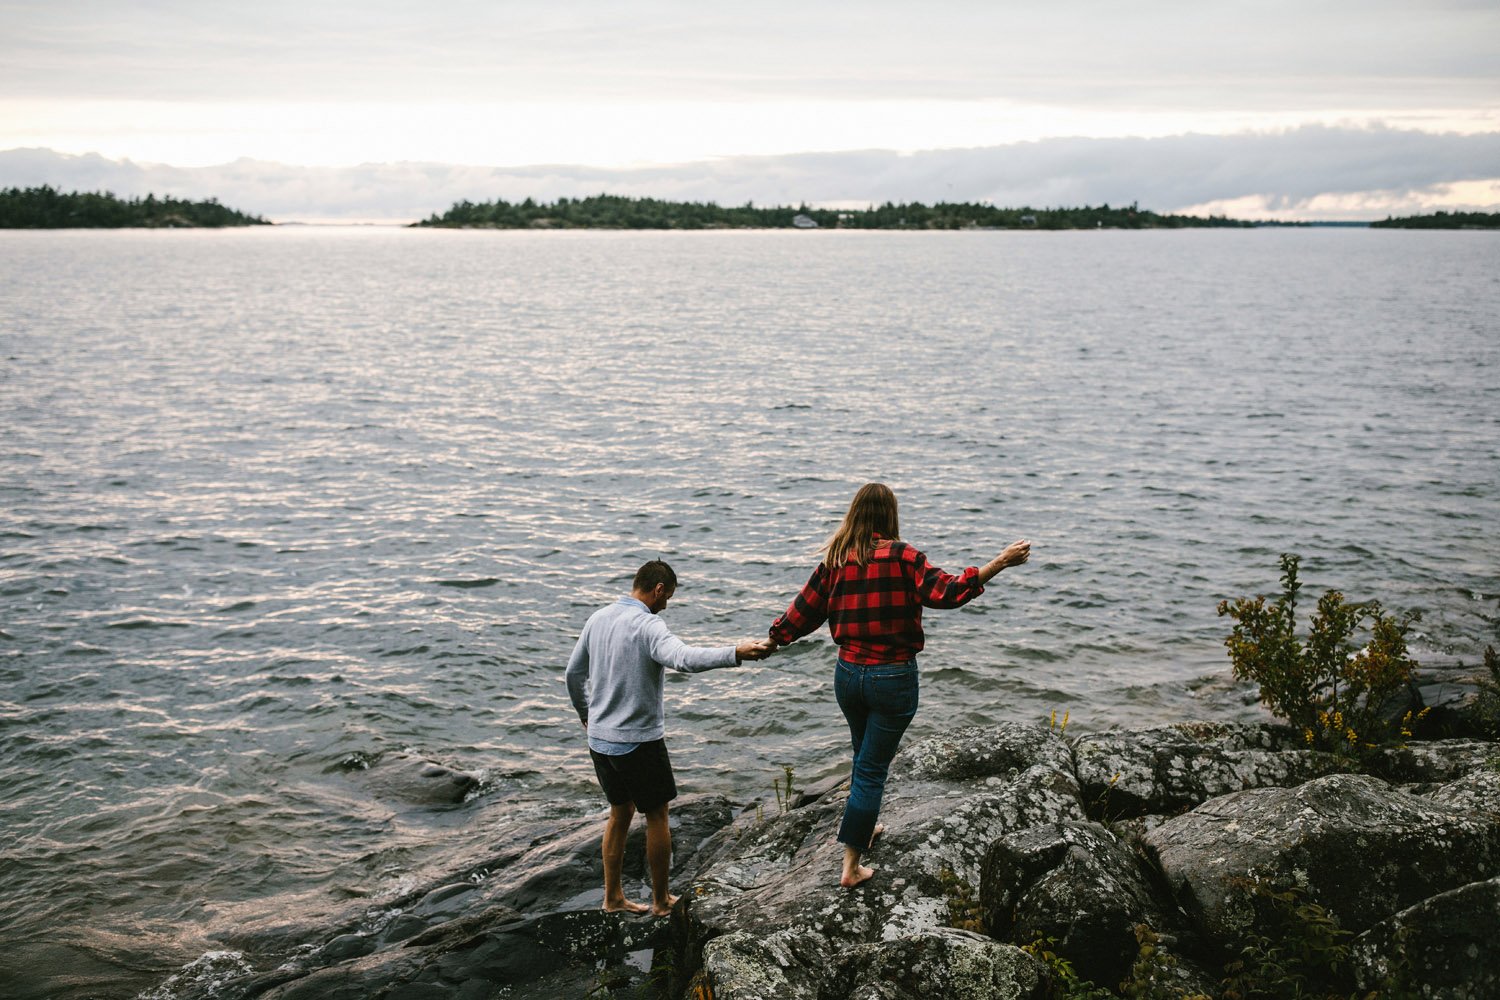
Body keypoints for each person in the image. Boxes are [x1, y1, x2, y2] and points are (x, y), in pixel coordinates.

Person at [767, 483, 1030, 888]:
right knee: (871, 770)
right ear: (890, 515)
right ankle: (851, 867)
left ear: (854, 513)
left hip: (848, 675)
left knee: (863, 756)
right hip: (892, 677)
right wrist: (1000, 562)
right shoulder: (904, 556)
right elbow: (950, 592)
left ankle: (863, 824)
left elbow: (803, 611)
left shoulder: (838, 558)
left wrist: (773, 639)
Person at [566, 558, 774, 915]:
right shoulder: (648, 626)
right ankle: (661, 901)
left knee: (619, 813)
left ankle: (612, 897)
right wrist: (734, 652)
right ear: (658, 589)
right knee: (657, 816)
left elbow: (573, 674)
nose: (667, 604)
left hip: (599, 740)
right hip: (637, 741)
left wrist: (587, 716)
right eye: (668, 597)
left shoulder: (598, 618)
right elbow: (683, 659)